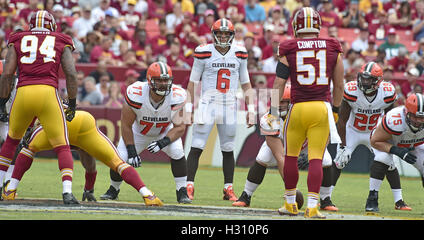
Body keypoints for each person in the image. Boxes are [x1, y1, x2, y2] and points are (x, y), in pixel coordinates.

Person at [2, 109, 163, 206]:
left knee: (29, 149)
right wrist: (88, 188)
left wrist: (29, 129)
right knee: (117, 163)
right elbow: (90, 166)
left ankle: (11, 189)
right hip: (83, 122)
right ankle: (147, 194)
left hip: (58, 124)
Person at [0, 10, 79, 204]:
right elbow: (71, 74)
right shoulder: (61, 39)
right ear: (51, 26)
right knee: (62, 145)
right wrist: (73, 102)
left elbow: (7, 74)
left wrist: (2, 102)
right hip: (47, 92)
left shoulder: (18, 38)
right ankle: (67, 192)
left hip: (23, 92)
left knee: (10, 142)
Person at [272, 7, 344, 218]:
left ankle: (290, 204)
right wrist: (336, 110)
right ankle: (312, 207)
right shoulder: (332, 46)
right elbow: (339, 85)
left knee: (290, 156)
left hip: (298, 107)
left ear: (296, 25)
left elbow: (278, 83)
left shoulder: (289, 47)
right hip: (321, 108)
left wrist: (272, 111)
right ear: (318, 25)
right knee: (315, 159)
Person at [100, 61, 192, 204]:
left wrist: (163, 142)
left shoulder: (178, 95)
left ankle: (182, 191)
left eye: (166, 80)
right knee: (120, 157)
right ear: (149, 81)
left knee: (178, 151)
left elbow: (180, 127)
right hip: (138, 132)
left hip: (164, 131)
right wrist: (131, 150)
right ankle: (113, 189)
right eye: (159, 80)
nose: (163, 84)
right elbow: (126, 125)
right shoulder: (135, 93)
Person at [185, 18, 255, 202]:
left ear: (232, 36)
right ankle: (188, 186)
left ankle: (228, 188)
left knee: (228, 148)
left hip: (229, 105)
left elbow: (246, 83)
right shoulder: (203, 52)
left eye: (226, 34)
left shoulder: (239, 53)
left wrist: (252, 109)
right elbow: (192, 82)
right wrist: (188, 108)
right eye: (220, 33)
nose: (223, 37)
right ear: (213, 34)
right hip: (207, 103)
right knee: (197, 146)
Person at [333, 61, 411, 212]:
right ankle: (325, 199)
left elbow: (390, 119)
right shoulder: (352, 89)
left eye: (368, 79)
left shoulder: (387, 92)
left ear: (377, 81)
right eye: (363, 77)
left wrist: (389, 141)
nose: (364, 81)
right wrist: (342, 145)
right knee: (339, 160)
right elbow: (342, 120)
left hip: (375, 131)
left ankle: (399, 201)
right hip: (352, 130)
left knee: (389, 162)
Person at [369, 93, 424, 215]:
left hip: (414, 143)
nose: (418, 121)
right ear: (406, 112)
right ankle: (372, 199)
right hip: (388, 141)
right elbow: (375, 141)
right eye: (414, 117)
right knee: (383, 158)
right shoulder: (394, 119)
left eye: (422, 118)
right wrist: (397, 151)